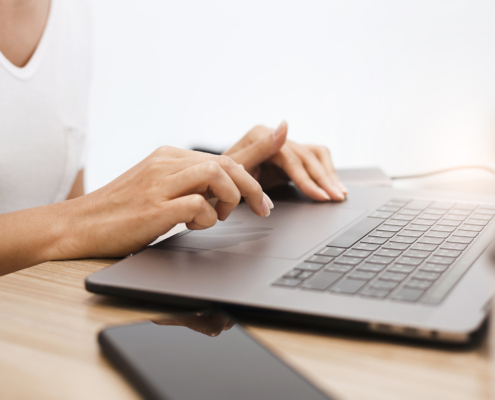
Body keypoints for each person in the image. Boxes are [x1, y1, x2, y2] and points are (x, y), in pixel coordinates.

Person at [0, 0, 347, 275]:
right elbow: (71, 222)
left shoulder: (70, 11)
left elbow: (59, 214)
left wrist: (211, 179)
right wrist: (85, 220)